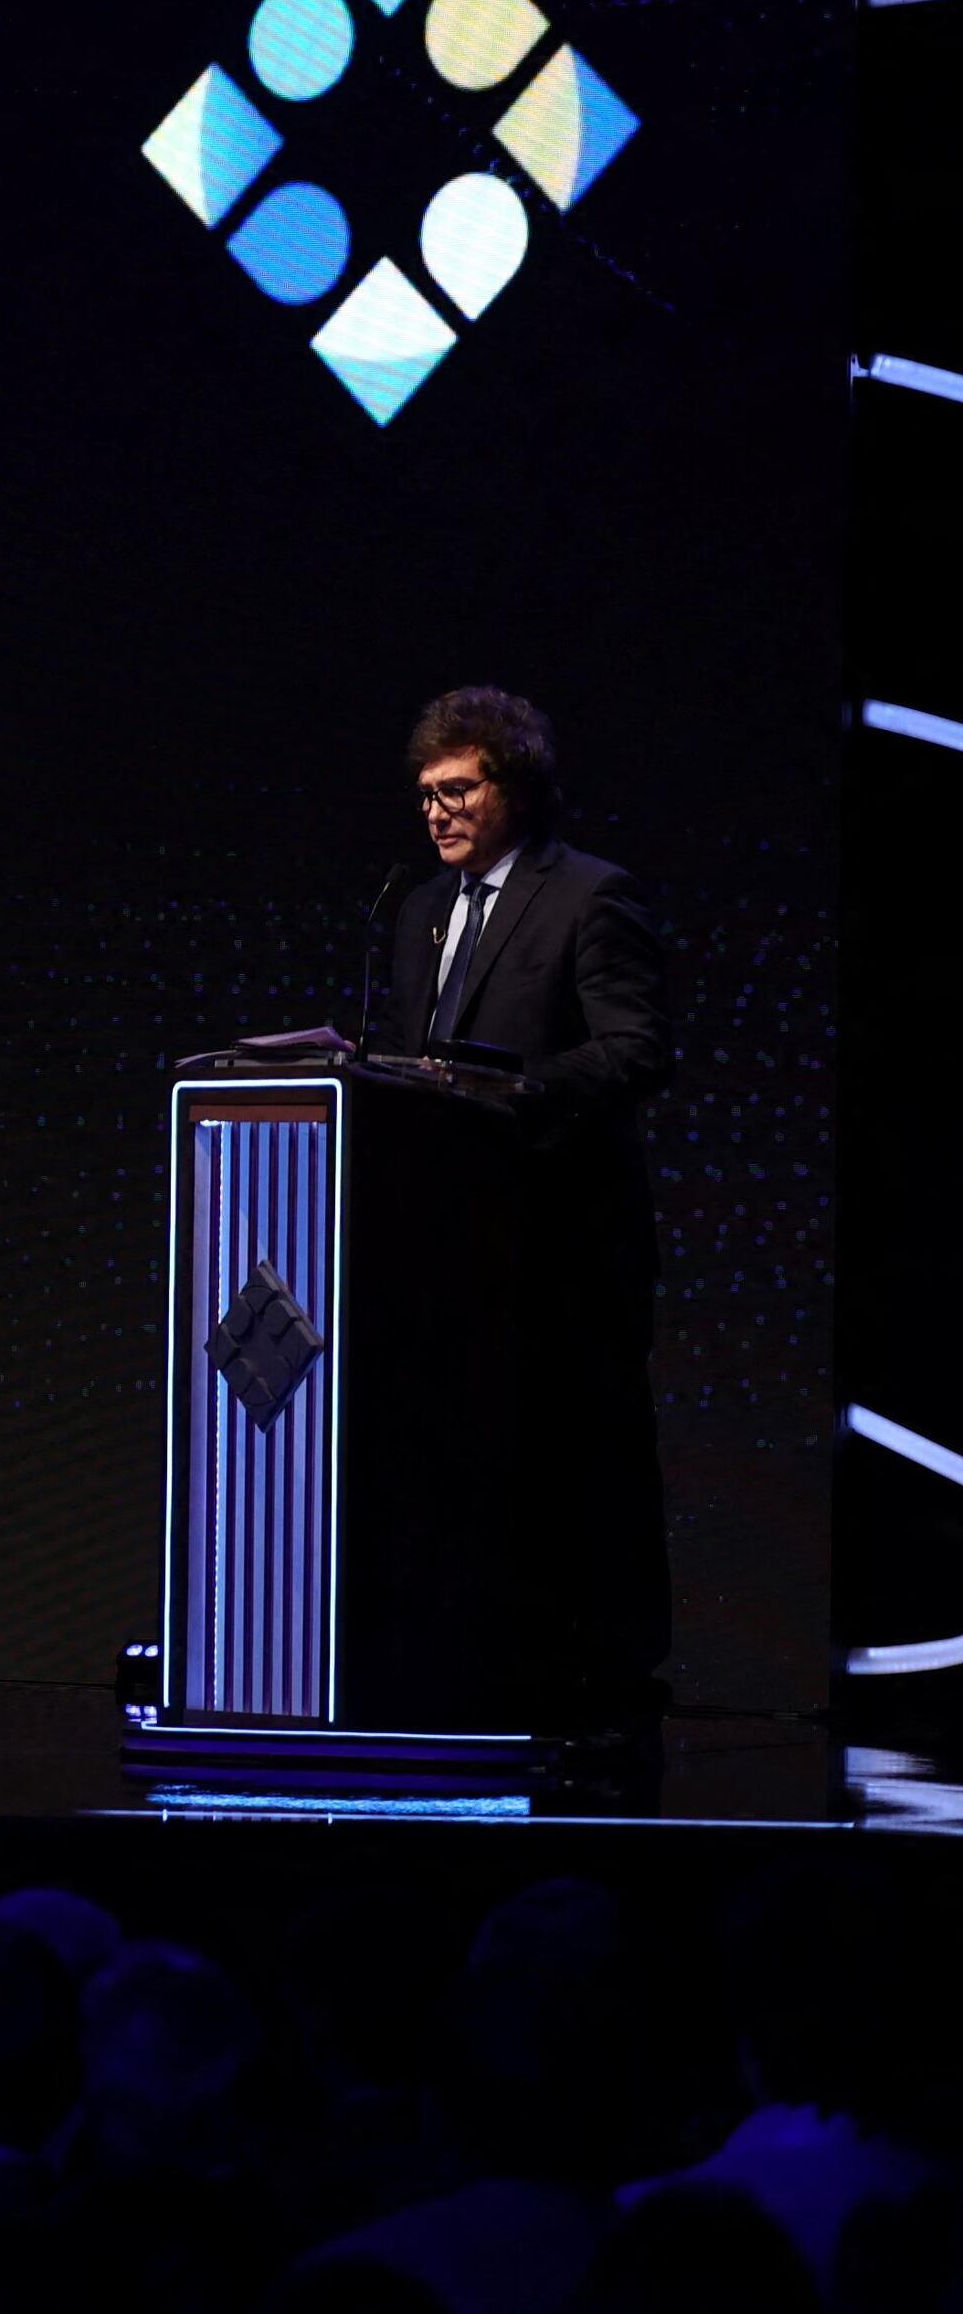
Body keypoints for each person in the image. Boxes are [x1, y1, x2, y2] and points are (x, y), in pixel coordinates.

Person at [357, 685, 670, 1728]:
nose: (435, 811)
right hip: (458, 1252)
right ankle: (489, 1665)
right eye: (424, 796)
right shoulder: (415, 913)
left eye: (455, 790)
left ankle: (612, 1687)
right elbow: (415, 1070)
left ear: (514, 788)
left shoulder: (588, 895)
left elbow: (635, 1048)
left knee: (586, 1463)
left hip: (567, 1242)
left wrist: (514, 1094)